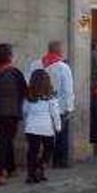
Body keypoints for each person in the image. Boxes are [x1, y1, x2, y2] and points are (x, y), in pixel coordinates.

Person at [0, 44, 27, 186]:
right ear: (9, 56)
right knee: (4, 141)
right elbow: (25, 91)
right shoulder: (15, 72)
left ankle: (11, 168)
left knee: (6, 139)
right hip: (10, 112)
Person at [29, 40, 74, 169]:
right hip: (58, 106)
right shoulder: (63, 67)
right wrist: (69, 108)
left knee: (38, 138)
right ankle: (59, 161)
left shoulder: (36, 64)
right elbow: (68, 90)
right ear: (59, 51)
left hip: (37, 106)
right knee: (60, 135)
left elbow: (29, 84)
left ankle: (40, 161)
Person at [23, 69, 61, 184]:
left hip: (31, 128)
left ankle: (31, 174)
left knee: (32, 151)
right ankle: (40, 167)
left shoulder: (28, 97)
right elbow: (55, 114)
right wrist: (58, 127)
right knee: (49, 149)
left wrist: (27, 123)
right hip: (46, 129)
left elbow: (24, 111)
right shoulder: (51, 98)